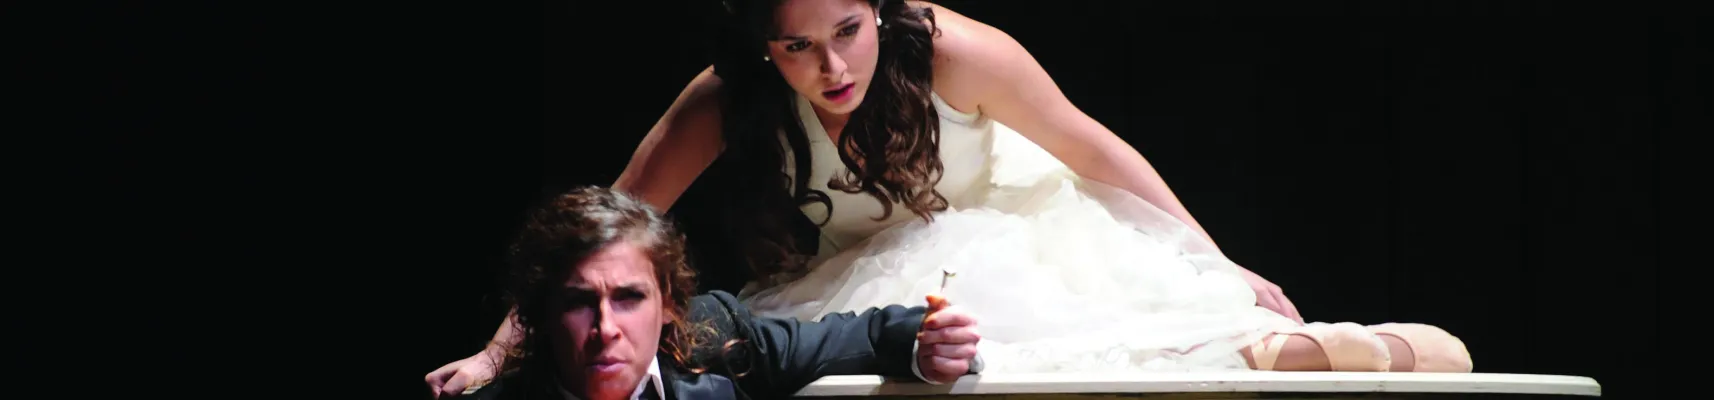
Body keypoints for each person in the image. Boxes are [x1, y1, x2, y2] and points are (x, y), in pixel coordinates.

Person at [430, 0, 1472, 390]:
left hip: (1024, 234)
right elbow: (605, 227)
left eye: (848, 31)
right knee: (890, 347)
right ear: (762, 47)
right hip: (869, 279)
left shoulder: (950, 49)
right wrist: (496, 351)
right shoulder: (727, 98)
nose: (833, 67)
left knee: (1085, 326)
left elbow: (1093, 148)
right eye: (797, 47)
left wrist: (1217, 260)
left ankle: (1298, 347)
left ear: (877, 9)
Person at [444, 186, 982, 400]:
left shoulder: (720, 338)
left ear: (670, 304)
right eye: (579, 302)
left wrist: (926, 342)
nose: (606, 328)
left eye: (629, 298)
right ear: (541, 312)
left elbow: (858, 337)